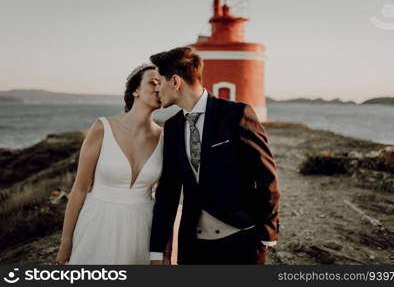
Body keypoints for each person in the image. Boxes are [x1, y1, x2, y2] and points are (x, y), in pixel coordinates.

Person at [149, 47, 280, 265]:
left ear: (175, 81)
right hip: (192, 246)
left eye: (159, 82)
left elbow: (268, 177)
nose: (157, 90)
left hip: (240, 240)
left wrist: (267, 233)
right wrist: (156, 249)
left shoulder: (237, 114)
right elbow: (168, 191)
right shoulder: (172, 127)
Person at [56, 64, 165, 264]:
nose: (158, 88)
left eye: (162, 83)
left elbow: (166, 195)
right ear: (135, 91)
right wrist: (66, 243)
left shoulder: (165, 138)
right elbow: (79, 189)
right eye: (152, 82)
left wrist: (162, 249)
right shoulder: (102, 128)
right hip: (98, 223)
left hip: (143, 227)